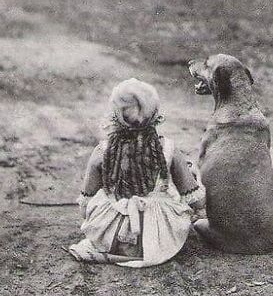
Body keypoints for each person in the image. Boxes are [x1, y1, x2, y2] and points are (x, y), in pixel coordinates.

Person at [66, 78, 205, 267]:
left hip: (110, 235)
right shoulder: (169, 149)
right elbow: (196, 201)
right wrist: (196, 176)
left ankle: (111, 252)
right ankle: (144, 252)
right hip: (159, 240)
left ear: (115, 115)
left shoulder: (102, 152)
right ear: (155, 114)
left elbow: (85, 207)